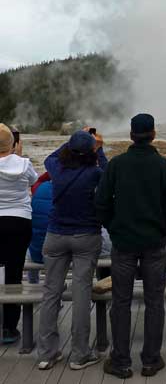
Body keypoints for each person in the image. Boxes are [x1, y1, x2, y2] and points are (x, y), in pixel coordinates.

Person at [96, 113, 166, 380]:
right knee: (154, 301)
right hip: (155, 243)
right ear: (154, 134)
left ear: (131, 135)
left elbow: (100, 203)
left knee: (121, 301)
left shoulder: (117, 165)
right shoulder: (163, 166)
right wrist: (164, 229)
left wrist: (113, 226)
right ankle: (150, 360)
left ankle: (121, 361)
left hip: (123, 243)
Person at [38, 129, 107, 371]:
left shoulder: (57, 169)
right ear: (91, 153)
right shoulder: (94, 173)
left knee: (50, 293)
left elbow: (52, 156)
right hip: (86, 236)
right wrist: (100, 149)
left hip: (55, 236)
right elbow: (109, 177)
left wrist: (72, 143)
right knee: (81, 294)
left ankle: (46, 354)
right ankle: (79, 355)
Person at [0, 123, 38, 343]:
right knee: (14, 273)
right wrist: (18, 157)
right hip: (19, 221)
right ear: (13, 143)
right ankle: (9, 328)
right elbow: (33, 182)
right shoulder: (23, 164)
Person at [27, 173, 53, 284]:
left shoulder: (39, 188)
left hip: (35, 252)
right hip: (56, 253)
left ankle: (32, 282)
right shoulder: (68, 190)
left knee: (30, 250)